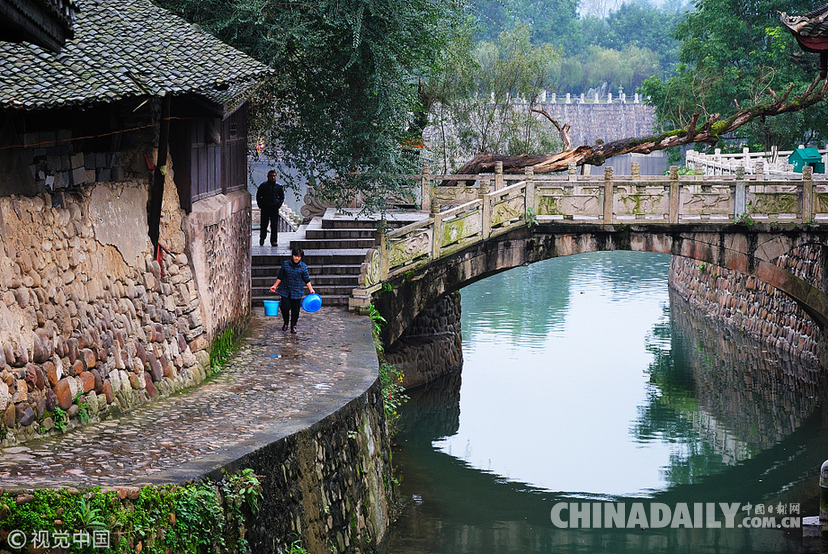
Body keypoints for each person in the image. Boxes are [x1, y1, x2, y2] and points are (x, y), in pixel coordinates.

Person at [270, 247, 316, 333]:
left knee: (295, 310)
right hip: (285, 290)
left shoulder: (303, 267)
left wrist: (311, 290)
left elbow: (306, 279)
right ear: (292, 256)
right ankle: (286, 322)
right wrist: (275, 286)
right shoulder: (285, 264)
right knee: (285, 307)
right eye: (295, 256)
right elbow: (280, 276)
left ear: (301, 257)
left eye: (298, 256)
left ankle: (293, 325)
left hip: (297, 291)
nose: (296, 258)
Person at [256, 169, 285, 247]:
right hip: (265, 208)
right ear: (268, 176)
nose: (273, 177)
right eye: (271, 176)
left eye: (274, 176)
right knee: (264, 224)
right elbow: (259, 196)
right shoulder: (263, 186)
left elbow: (282, 197)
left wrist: (279, 204)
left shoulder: (278, 187)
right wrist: (260, 205)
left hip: (274, 208)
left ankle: (274, 241)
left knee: (274, 225)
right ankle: (262, 238)